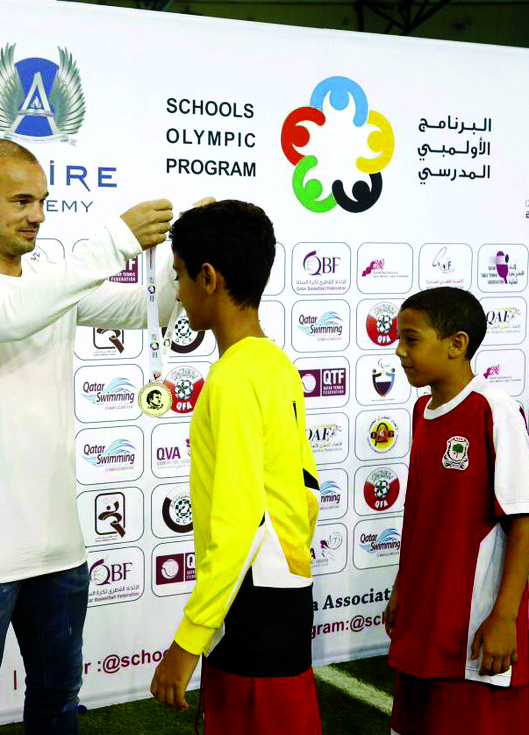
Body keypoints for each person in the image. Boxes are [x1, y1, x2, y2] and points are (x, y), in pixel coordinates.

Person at [0, 138, 176, 734]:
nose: (37, 214)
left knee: (58, 700)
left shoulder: (51, 289)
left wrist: (190, 252)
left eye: (43, 201)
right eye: (22, 200)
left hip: (59, 549)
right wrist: (113, 241)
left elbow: (150, 311)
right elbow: (12, 313)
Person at [149, 200, 321, 734]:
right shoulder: (274, 362)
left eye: (178, 276)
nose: (175, 292)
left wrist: (188, 639)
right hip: (281, 589)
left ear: (207, 277)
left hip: (252, 603)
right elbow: (307, 486)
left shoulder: (230, 379)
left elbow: (239, 520)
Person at [384, 287, 529, 735]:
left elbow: (524, 519)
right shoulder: (422, 409)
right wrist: (402, 587)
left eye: (411, 339)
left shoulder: (494, 410)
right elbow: (424, 517)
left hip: (470, 627)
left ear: (456, 343)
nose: (399, 350)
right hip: (423, 617)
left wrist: (505, 617)